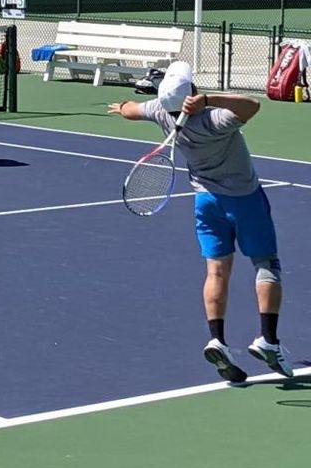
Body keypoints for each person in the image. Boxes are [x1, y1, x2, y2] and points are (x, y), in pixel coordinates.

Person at [110, 60, 292, 383]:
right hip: (245, 200)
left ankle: (217, 339)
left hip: (206, 204)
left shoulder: (161, 113)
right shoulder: (214, 119)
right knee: (267, 265)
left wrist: (122, 106)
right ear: (192, 92)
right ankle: (269, 340)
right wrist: (208, 100)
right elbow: (253, 105)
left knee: (215, 271)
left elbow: (131, 110)